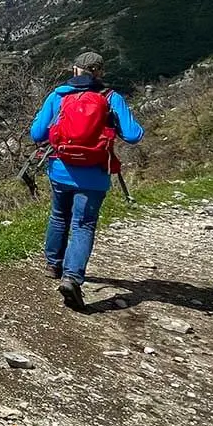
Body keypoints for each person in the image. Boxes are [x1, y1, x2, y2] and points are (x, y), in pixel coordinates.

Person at [29, 52, 144, 309]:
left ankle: (52, 264)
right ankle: (72, 277)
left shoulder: (58, 95)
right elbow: (134, 135)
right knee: (83, 224)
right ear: (100, 73)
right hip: (94, 174)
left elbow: (36, 133)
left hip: (61, 169)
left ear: (75, 70)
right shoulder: (111, 98)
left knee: (59, 215)